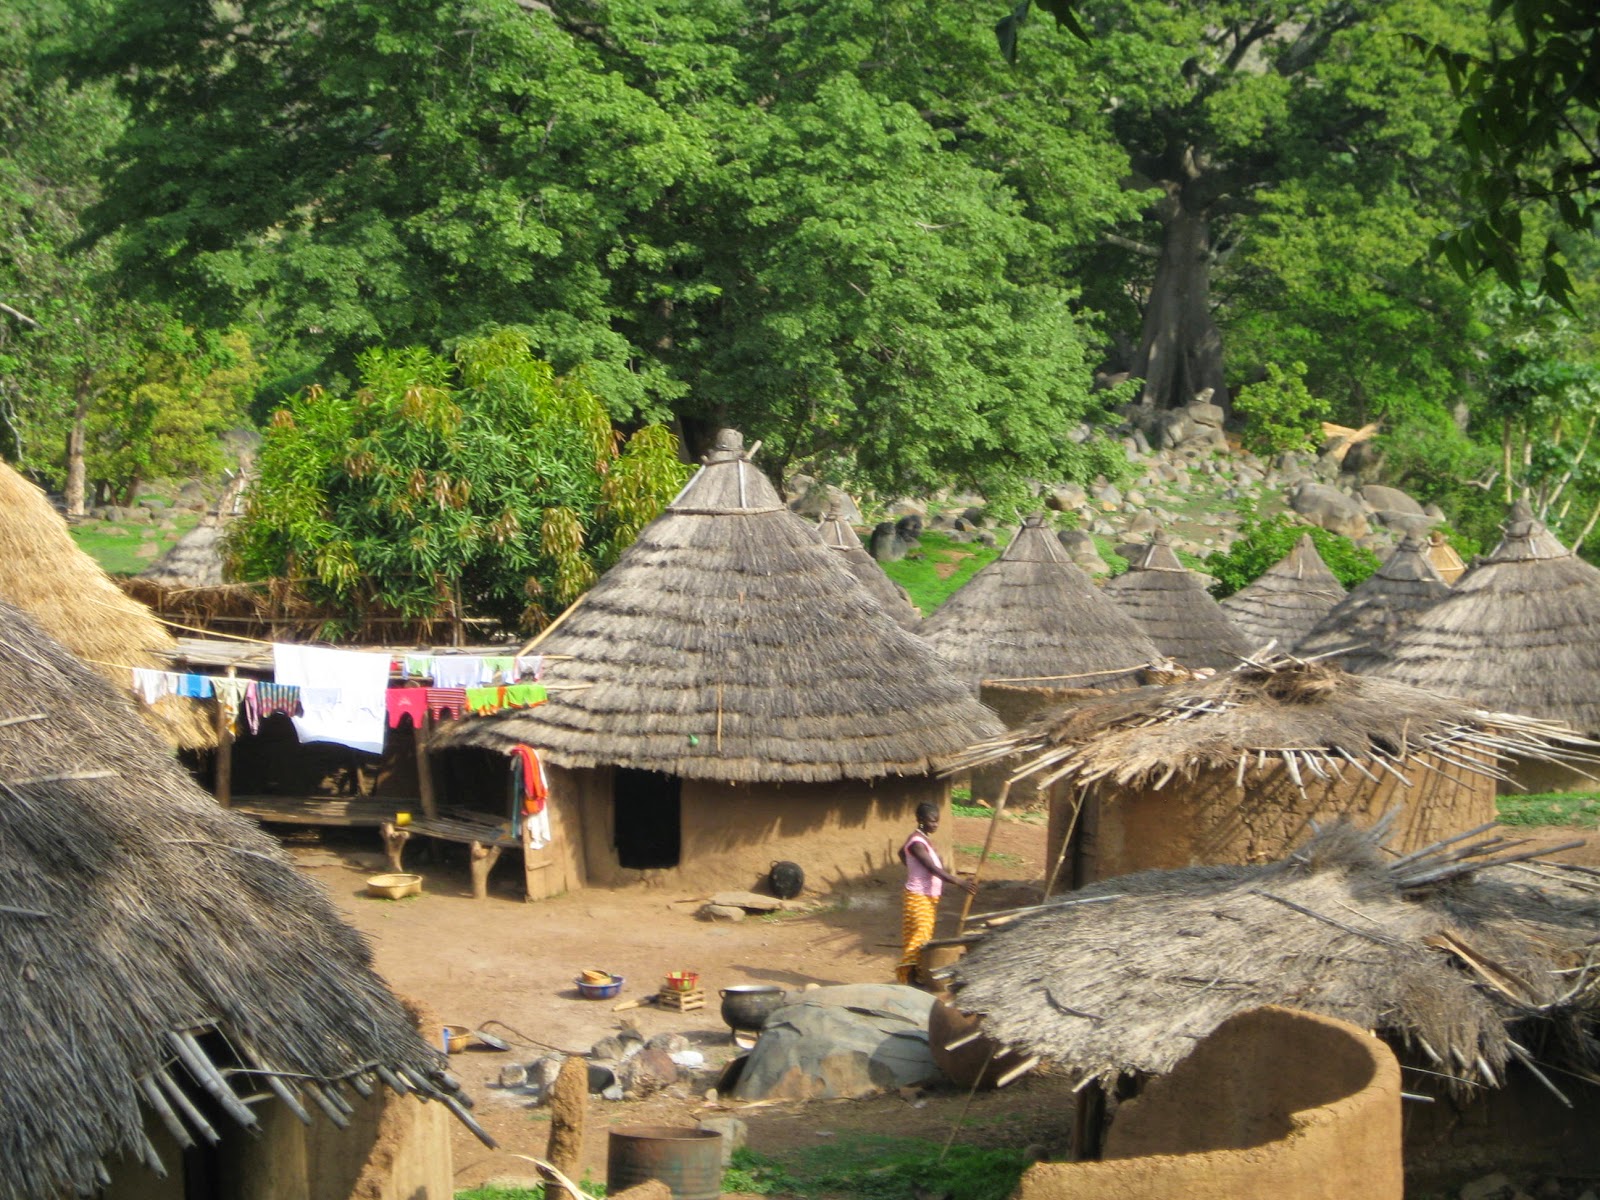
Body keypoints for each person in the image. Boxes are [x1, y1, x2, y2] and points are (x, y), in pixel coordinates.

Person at [895, 802, 975, 985]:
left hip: (927, 896)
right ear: (921, 820)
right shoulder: (917, 843)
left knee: (921, 936)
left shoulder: (921, 839)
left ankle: (914, 977)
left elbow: (901, 852)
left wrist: (912, 868)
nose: (935, 825)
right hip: (917, 896)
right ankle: (911, 978)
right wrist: (958, 881)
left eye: (937, 822)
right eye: (932, 821)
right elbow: (932, 868)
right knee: (919, 937)